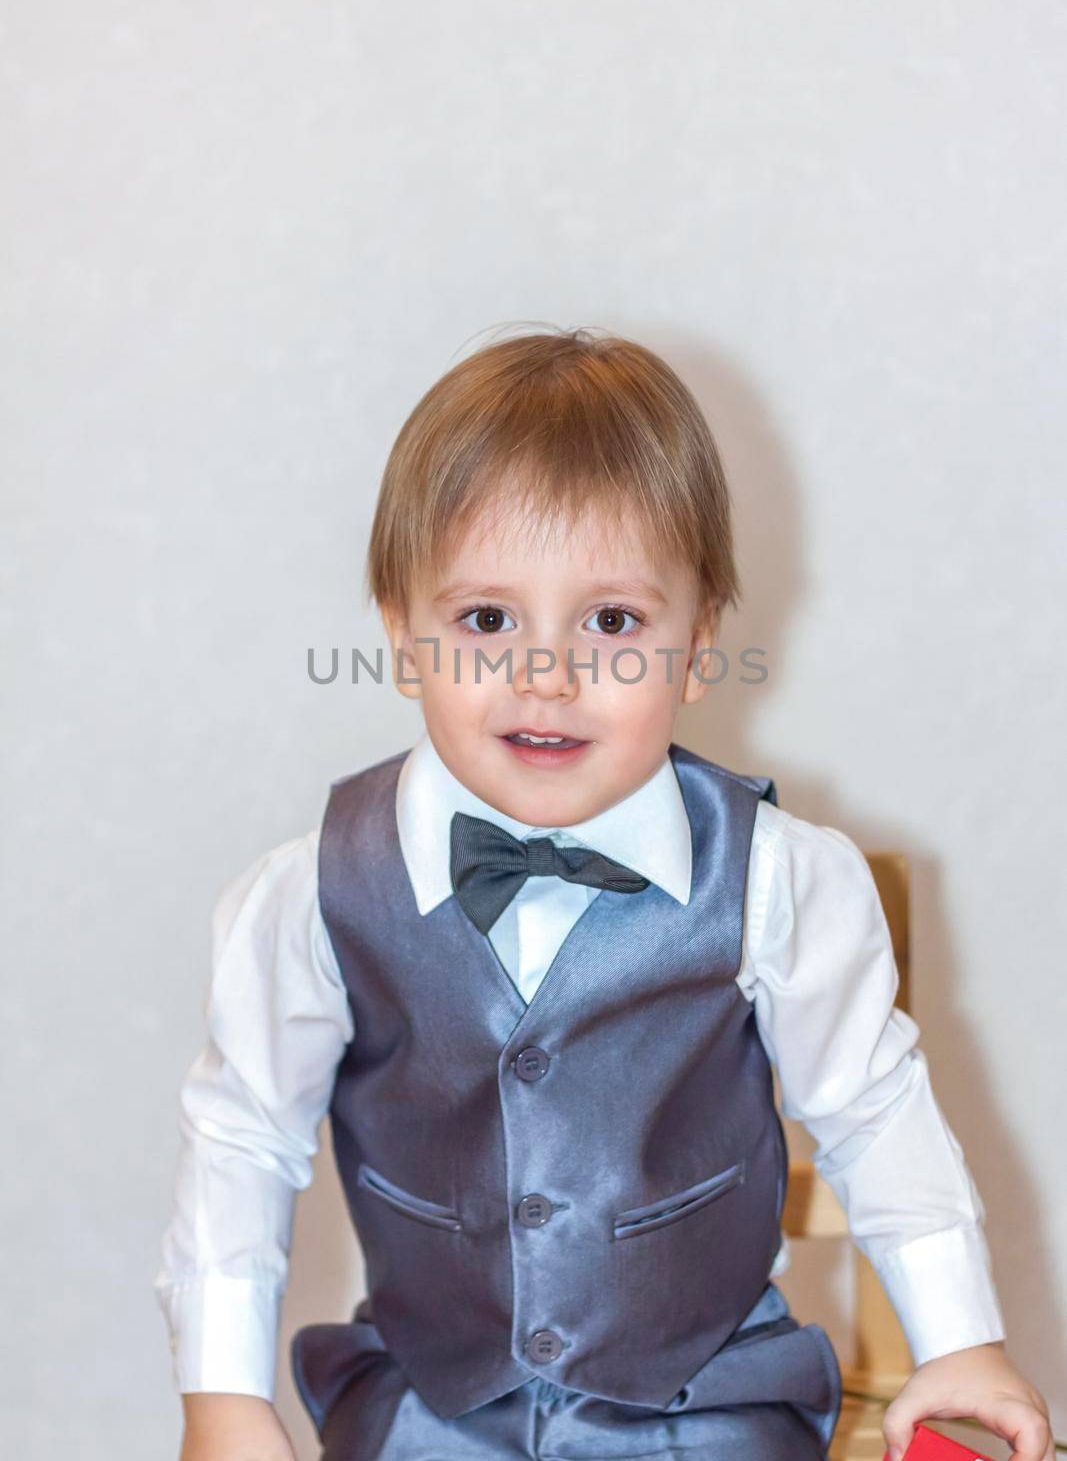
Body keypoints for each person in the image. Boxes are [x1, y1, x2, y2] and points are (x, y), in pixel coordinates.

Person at [155, 328, 1053, 1461]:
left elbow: (874, 1114)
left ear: (696, 644)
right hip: (432, 1404)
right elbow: (243, 1140)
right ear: (401, 633)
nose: (547, 673)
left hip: (706, 1404)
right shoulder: (309, 896)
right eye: (487, 619)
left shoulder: (781, 879)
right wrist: (221, 1392)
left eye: (613, 622)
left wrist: (957, 1337)